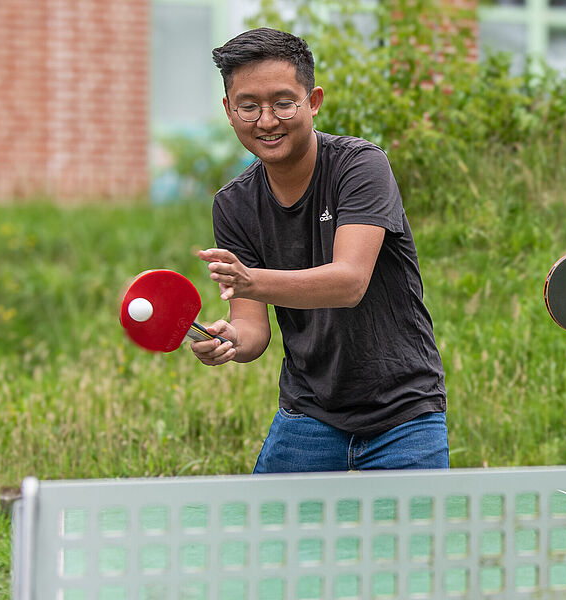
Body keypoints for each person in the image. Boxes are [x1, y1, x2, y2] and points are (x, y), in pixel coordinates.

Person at [190, 27, 449, 473]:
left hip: (405, 413)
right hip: (308, 414)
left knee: (411, 546)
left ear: (313, 102)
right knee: (267, 542)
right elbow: (252, 330)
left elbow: (349, 281)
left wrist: (253, 280)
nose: (267, 120)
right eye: (249, 106)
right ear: (230, 113)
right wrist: (230, 341)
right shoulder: (233, 205)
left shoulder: (361, 166)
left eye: (283, 102)